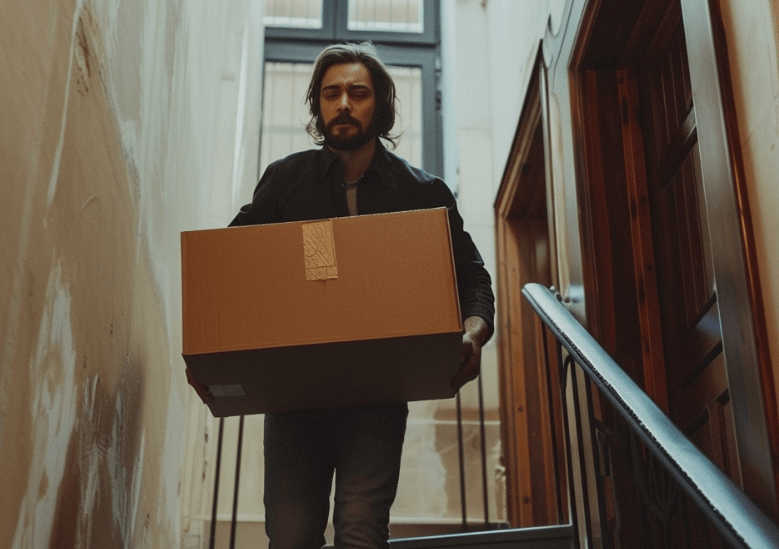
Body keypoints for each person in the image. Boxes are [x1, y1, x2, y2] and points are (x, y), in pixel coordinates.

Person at [188, 42, 494, 548]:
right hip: (293, 395)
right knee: (289, 537)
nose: (344, 104)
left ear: (382, 105)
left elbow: (473, 279)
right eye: (331, 94)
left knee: (360, 530)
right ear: (317, 104)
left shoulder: (422, 193)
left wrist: (473, 332)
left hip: (378, 392)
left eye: (358, 92)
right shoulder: (285, 180)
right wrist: (209, 355)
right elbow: (230, 273)